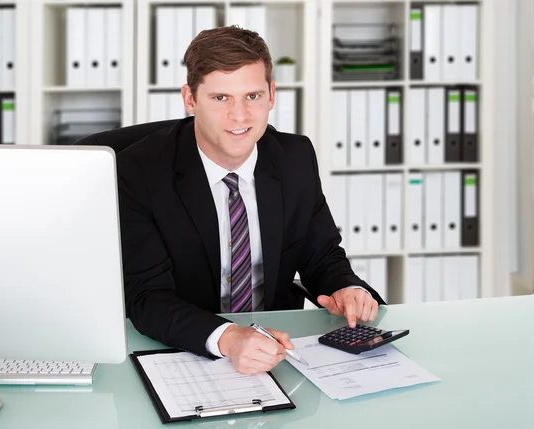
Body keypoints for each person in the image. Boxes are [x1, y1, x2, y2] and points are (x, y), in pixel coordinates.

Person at [115, 26, 385, 375]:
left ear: (271, 95)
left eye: (252, 96)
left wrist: (345, 287)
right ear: (190, 98)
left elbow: (321, 255)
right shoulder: (139, 171)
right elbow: (146, 297)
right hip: (181, 351)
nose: (240, 116)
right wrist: (229, 338)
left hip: (278, 351)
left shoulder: (294, 157)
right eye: (221, 98)